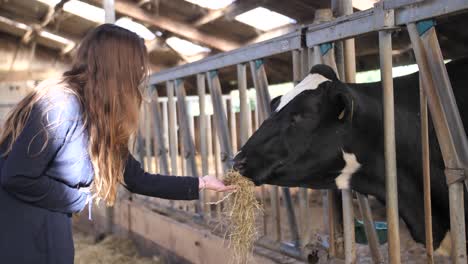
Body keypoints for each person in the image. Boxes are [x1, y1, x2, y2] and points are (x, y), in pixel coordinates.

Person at [0, 24, 235, 264]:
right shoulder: (62, 104)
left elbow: (138, 179)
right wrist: (77, 199)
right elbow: (17, 176)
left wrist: (202, 183)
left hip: (49, 220)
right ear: (119, 67)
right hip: (19, 226)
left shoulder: (97, 115)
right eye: (138, 65)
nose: (142, 73)